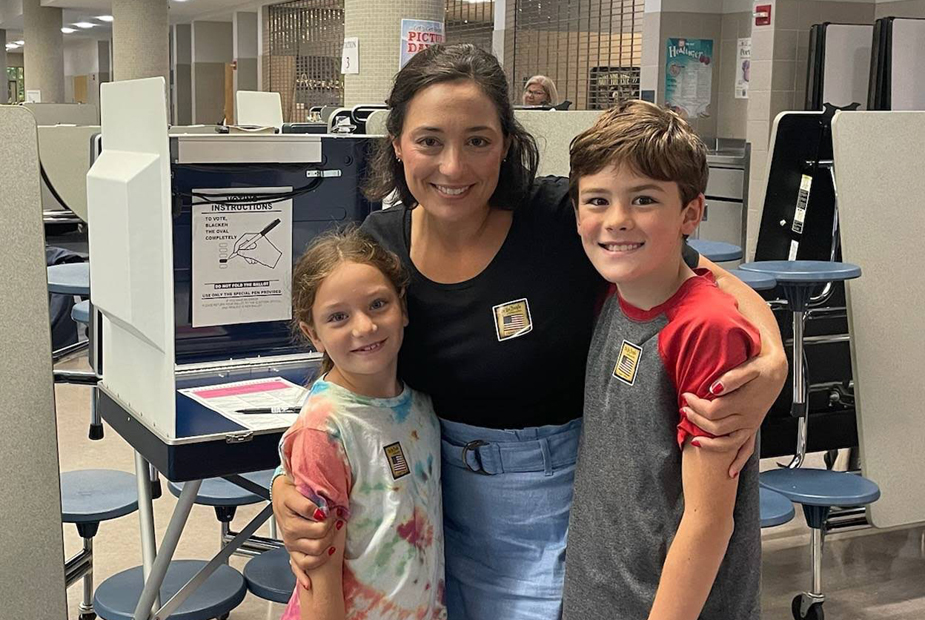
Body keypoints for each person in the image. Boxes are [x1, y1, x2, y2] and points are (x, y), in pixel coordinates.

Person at [272, 43, 787, 620]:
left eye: (478, 140)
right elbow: (345, 385)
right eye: (429, 141)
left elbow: (700, 276)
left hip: (565, 504)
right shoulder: (380, 245)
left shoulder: (561, 217)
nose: (453, 166)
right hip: (427, 512)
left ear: (507, 143)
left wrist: (771, 357)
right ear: (397, 145)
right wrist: (287, 481)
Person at [562, 100, 761, 620]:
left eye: (644, 199)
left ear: (691, 213)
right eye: (597, 200)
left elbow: (708, 520)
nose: (617, 221)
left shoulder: (705, 328)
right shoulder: (616, 295)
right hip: (601, 592)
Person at [279, 227, 446, 620]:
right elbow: (318, 575)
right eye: (338, 317)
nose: (364, 327)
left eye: (377, 305)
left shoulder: (420, 403)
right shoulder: (324, 430)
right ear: (312, 334)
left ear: (402, 308)